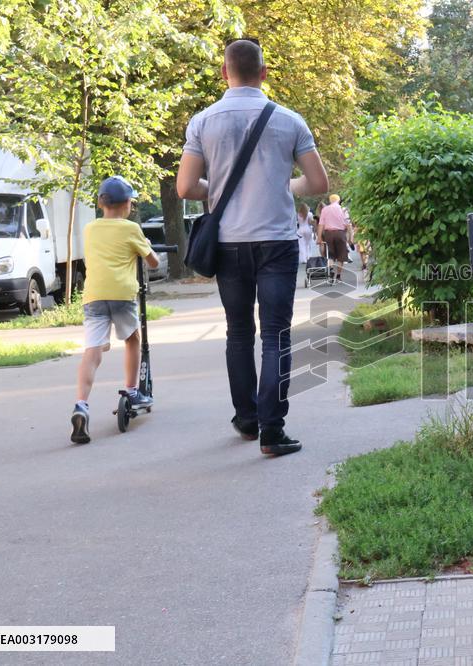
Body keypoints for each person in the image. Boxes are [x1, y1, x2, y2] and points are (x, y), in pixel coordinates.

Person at [176, 39, 329, 457]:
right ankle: (272, 431)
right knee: (276, 334)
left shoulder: (203, 122)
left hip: (228, 244)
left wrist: (217, 189)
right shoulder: (289, 121)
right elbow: (318, 185)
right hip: (277, 243)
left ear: (225, 73)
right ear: (263, 73)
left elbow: (187, 187)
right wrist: (286, 186)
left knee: (239, 333)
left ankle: (246, 420)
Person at [70, 176, 160, 444]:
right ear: (128, 204)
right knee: (133, 339)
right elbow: (153, 263)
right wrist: (145, 250)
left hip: (94, 296)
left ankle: (81, 405)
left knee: (93, 351)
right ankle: (132, 391)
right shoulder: (131, 229)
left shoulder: (90, 229)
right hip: (121, 294)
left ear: (101, 203)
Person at [317, 194, 349, 284]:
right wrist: (351, 237)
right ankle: (338, 276)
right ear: (339, 201)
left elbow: (321, 224)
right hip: (340, 233)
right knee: (341, 256)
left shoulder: (325, 209)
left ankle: (331, 273)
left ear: (330, 201)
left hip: (329, 234)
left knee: (330, 255)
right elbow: (348, 224)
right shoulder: (343, 209)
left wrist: (319, 238)